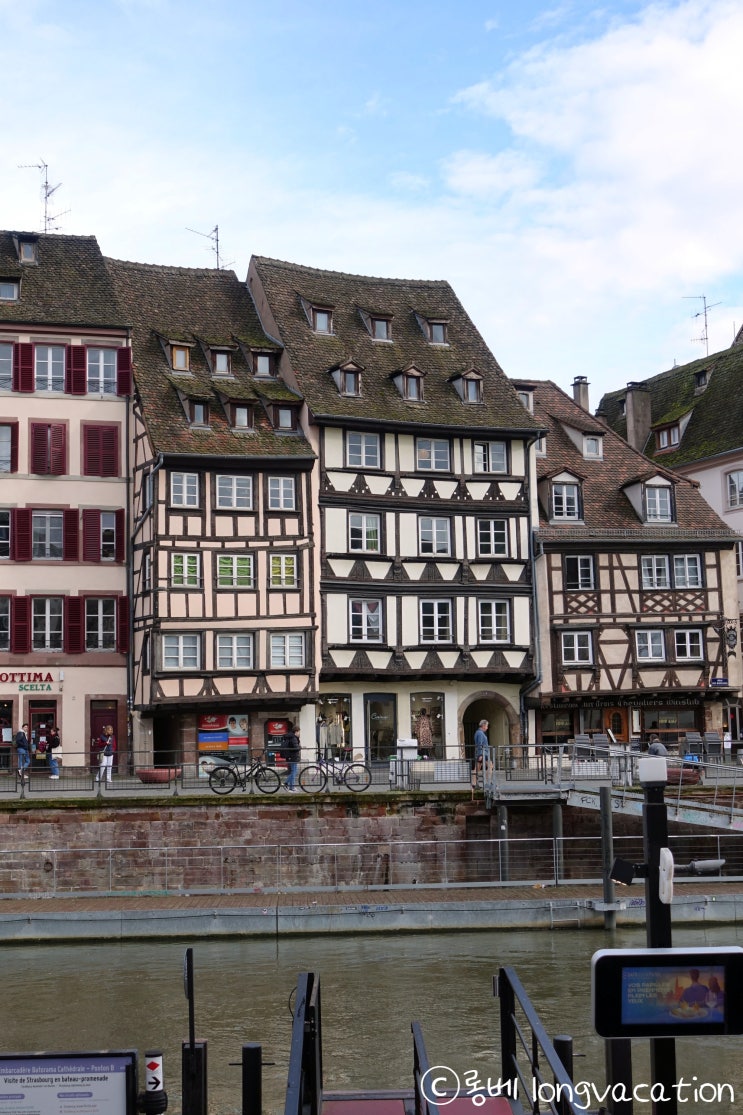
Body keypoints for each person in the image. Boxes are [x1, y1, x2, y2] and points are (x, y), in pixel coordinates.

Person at [283, 724, 301, 791]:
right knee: (293, 772)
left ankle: (290, 786)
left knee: (293, 772)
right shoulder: (293, 738)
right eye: (299, 732)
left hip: (291, 757)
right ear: (296, 731)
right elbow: (296, 748)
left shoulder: (292, 737)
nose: (299, 733)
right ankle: (288, 785)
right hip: (293, 757)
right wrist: (300, 747)